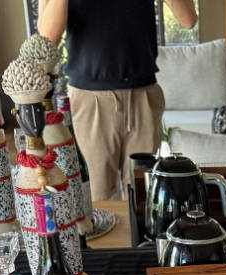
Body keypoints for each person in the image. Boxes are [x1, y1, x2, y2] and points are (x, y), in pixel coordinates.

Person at [38, 0, 198, 201]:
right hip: (90, 102)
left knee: (143, 196)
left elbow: (189, 20)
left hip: (143, 97)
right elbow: (47, 38)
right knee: (96, 199)